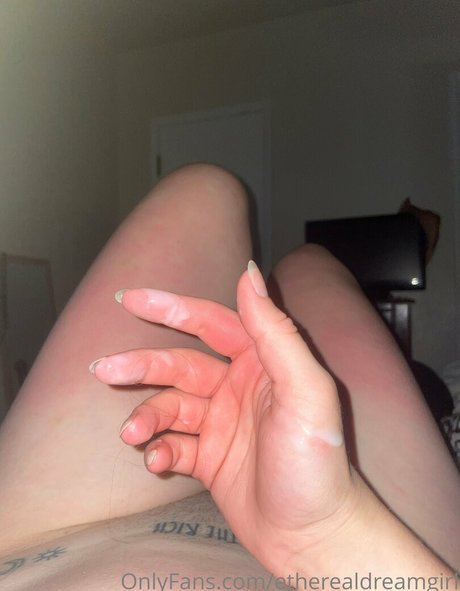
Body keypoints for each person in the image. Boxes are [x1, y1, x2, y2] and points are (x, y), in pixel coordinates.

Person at [0, 164, 458, 591]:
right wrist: (328, 534)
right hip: (377, 560)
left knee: (205, 189)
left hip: (34, 549)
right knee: (309, 265)